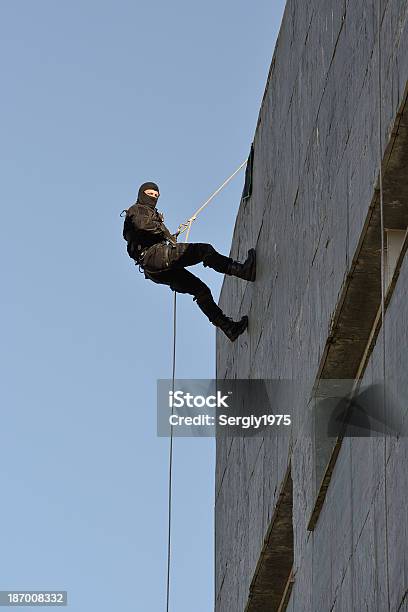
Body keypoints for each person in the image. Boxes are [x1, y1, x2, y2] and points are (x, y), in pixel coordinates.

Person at [122, 181, 256, 341]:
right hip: (155, 257)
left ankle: (229, 328)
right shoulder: (136, 210)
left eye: (156, 195)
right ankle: (242, 271)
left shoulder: (148, 214)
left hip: (154, 269)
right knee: (204, 251)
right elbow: (141, 224)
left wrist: (168, 236)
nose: (153, 197)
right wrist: (163, 232)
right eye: (150, 194)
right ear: (141, 194)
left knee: (201, 290)